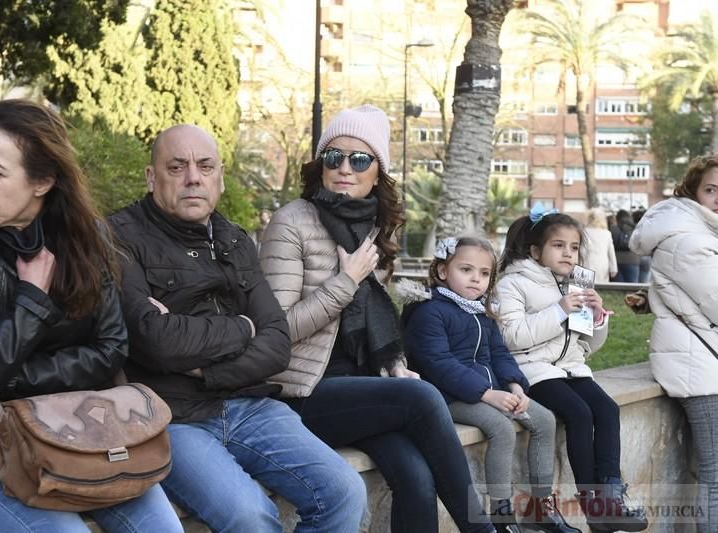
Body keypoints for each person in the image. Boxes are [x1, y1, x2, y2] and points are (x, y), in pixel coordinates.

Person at [0, 99, 182, 533]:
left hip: (88, 443)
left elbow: (111, 350)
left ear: (42, 180)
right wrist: (30, 303)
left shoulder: (86, 239)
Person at [108, 124, 366, 532]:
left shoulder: (234, 239)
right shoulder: (117, 237)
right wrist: (244, 328)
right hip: (172, 417)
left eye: (205, 166)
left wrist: (202, 364)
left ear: (220, 177)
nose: (194, 177)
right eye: (177, 167)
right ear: (151, 176)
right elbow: (155, 342)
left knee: (345, 493)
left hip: (251, 405)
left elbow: (278, 343)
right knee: (250, 516)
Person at [259, 104, 495, 533]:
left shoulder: (373, 230)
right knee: (425, 399)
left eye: (360, 159)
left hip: (358, 386)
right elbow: (276, 333)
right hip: (299, 393)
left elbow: (374, 326)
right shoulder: (291, 222)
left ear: (377, 174)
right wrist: (346, 280)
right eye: (334, 157)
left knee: (417, 477)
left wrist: (393, 363)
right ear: (321, 165)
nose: (345, 168)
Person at [401, 236, 578, 533]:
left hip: (491, 390)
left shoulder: (481, 311)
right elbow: (439, 364)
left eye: (484, 274)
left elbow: (498, 353)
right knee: (501, 428)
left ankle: (542, 508)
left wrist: (514, 386)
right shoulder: (429, 311)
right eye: (466, 270)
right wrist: (487, 394)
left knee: (545, 420)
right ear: (443, 271)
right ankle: (502, 515)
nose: (476, 279)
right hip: (447, 395)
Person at [496, 204, 648, 533]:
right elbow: (512, 338)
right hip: (532, 371)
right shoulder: (514, 284)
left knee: (606, 409)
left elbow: (584, 348)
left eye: (575, 247)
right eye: (559, 246)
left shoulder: (572, 285)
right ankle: (592, 504)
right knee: (579, 414)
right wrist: (559, 310)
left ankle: (610, 498)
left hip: (570, 369)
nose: (568, 253)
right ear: (536, 251)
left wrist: (595, 318)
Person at [629, 155, 718, 533]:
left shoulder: (698, 232)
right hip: (699, 368)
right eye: (712, 189)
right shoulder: (689, 240)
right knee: (715, 475)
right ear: (693, 192)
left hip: (699, 358)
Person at [582, 208, 618, 283]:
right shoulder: (607, 233)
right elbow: (611, 252)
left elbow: (582, 251)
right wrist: (613, 268)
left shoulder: (584, 232)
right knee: (601, 289)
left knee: (585, 289)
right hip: (603, 265)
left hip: (587, 263)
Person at [609, 209, 640, 282]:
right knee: (632, 288)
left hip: (617, 261)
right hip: (633, 260)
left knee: (618, 289)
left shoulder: (613, 228)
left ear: (618, 218)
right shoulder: (636, 228)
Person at [630, 210, 651, 283]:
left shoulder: (632, 229)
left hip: (633, 258)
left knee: (633, 285)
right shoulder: (649, 228)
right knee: (643, 285)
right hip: (646, 258)